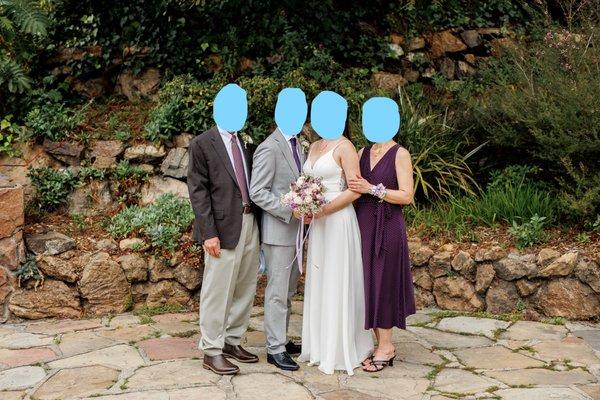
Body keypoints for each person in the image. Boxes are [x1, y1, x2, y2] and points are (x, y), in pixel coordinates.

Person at [298, 91, 374, 375]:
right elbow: (307, 181)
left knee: (337, 278)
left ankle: (340, 348)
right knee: (320, 278)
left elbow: (355, 189)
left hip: (338, 219)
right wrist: (302, 204)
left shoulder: (345, 147)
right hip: (318, 223)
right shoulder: (315, 145)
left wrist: (324, 210)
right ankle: (318, 346)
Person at [187, 83, 260, 375]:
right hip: (220, 227)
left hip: (250, 221)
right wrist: (208, 233)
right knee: (218, 290)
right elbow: (198, 191)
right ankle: (212, 349)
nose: (238, 112)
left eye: (242, 106)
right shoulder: (202, 144)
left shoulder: (244, 143)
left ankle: (232, 340)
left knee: (245, 286)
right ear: (219, 108)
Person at [348, 97, 416, 372]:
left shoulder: (400, 153)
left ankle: (386, 346)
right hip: (363, 222)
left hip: (388, 224)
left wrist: (373, 189)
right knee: (367, 282)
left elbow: (407, 195)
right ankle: (377, 343)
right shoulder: (362, 151)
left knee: (384, 281)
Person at [249, 88, 308, 371]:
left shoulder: (300, 146)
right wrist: (289, 210)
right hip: (278, 231)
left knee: (288, 292)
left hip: (298, 232)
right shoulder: (269, 147)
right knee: (276, 292)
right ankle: (274, 349)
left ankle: (281, 339)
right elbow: (257, 191)